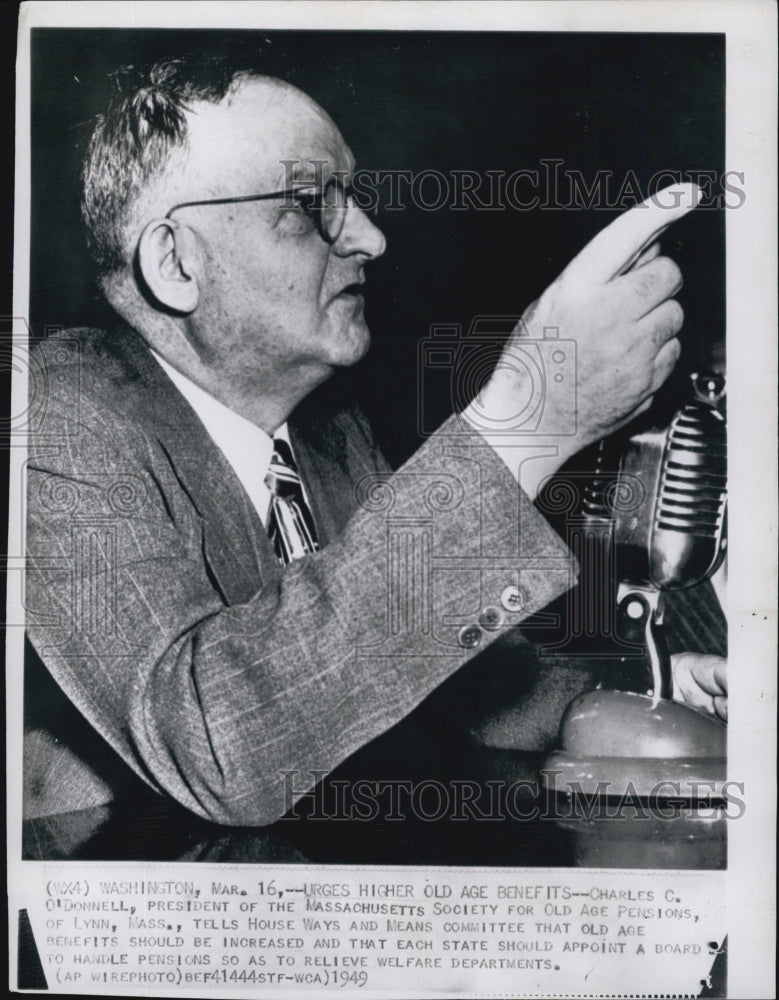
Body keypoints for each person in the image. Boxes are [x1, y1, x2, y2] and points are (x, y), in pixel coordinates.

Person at [24, 53, 726, 826]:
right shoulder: (51, 418)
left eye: (351, 197)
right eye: (307, 200)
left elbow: (428, 676)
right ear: (174, 262)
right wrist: (528, 423)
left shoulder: (328, 433)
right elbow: (216, 748)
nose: (370, 236)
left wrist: (633, 692)